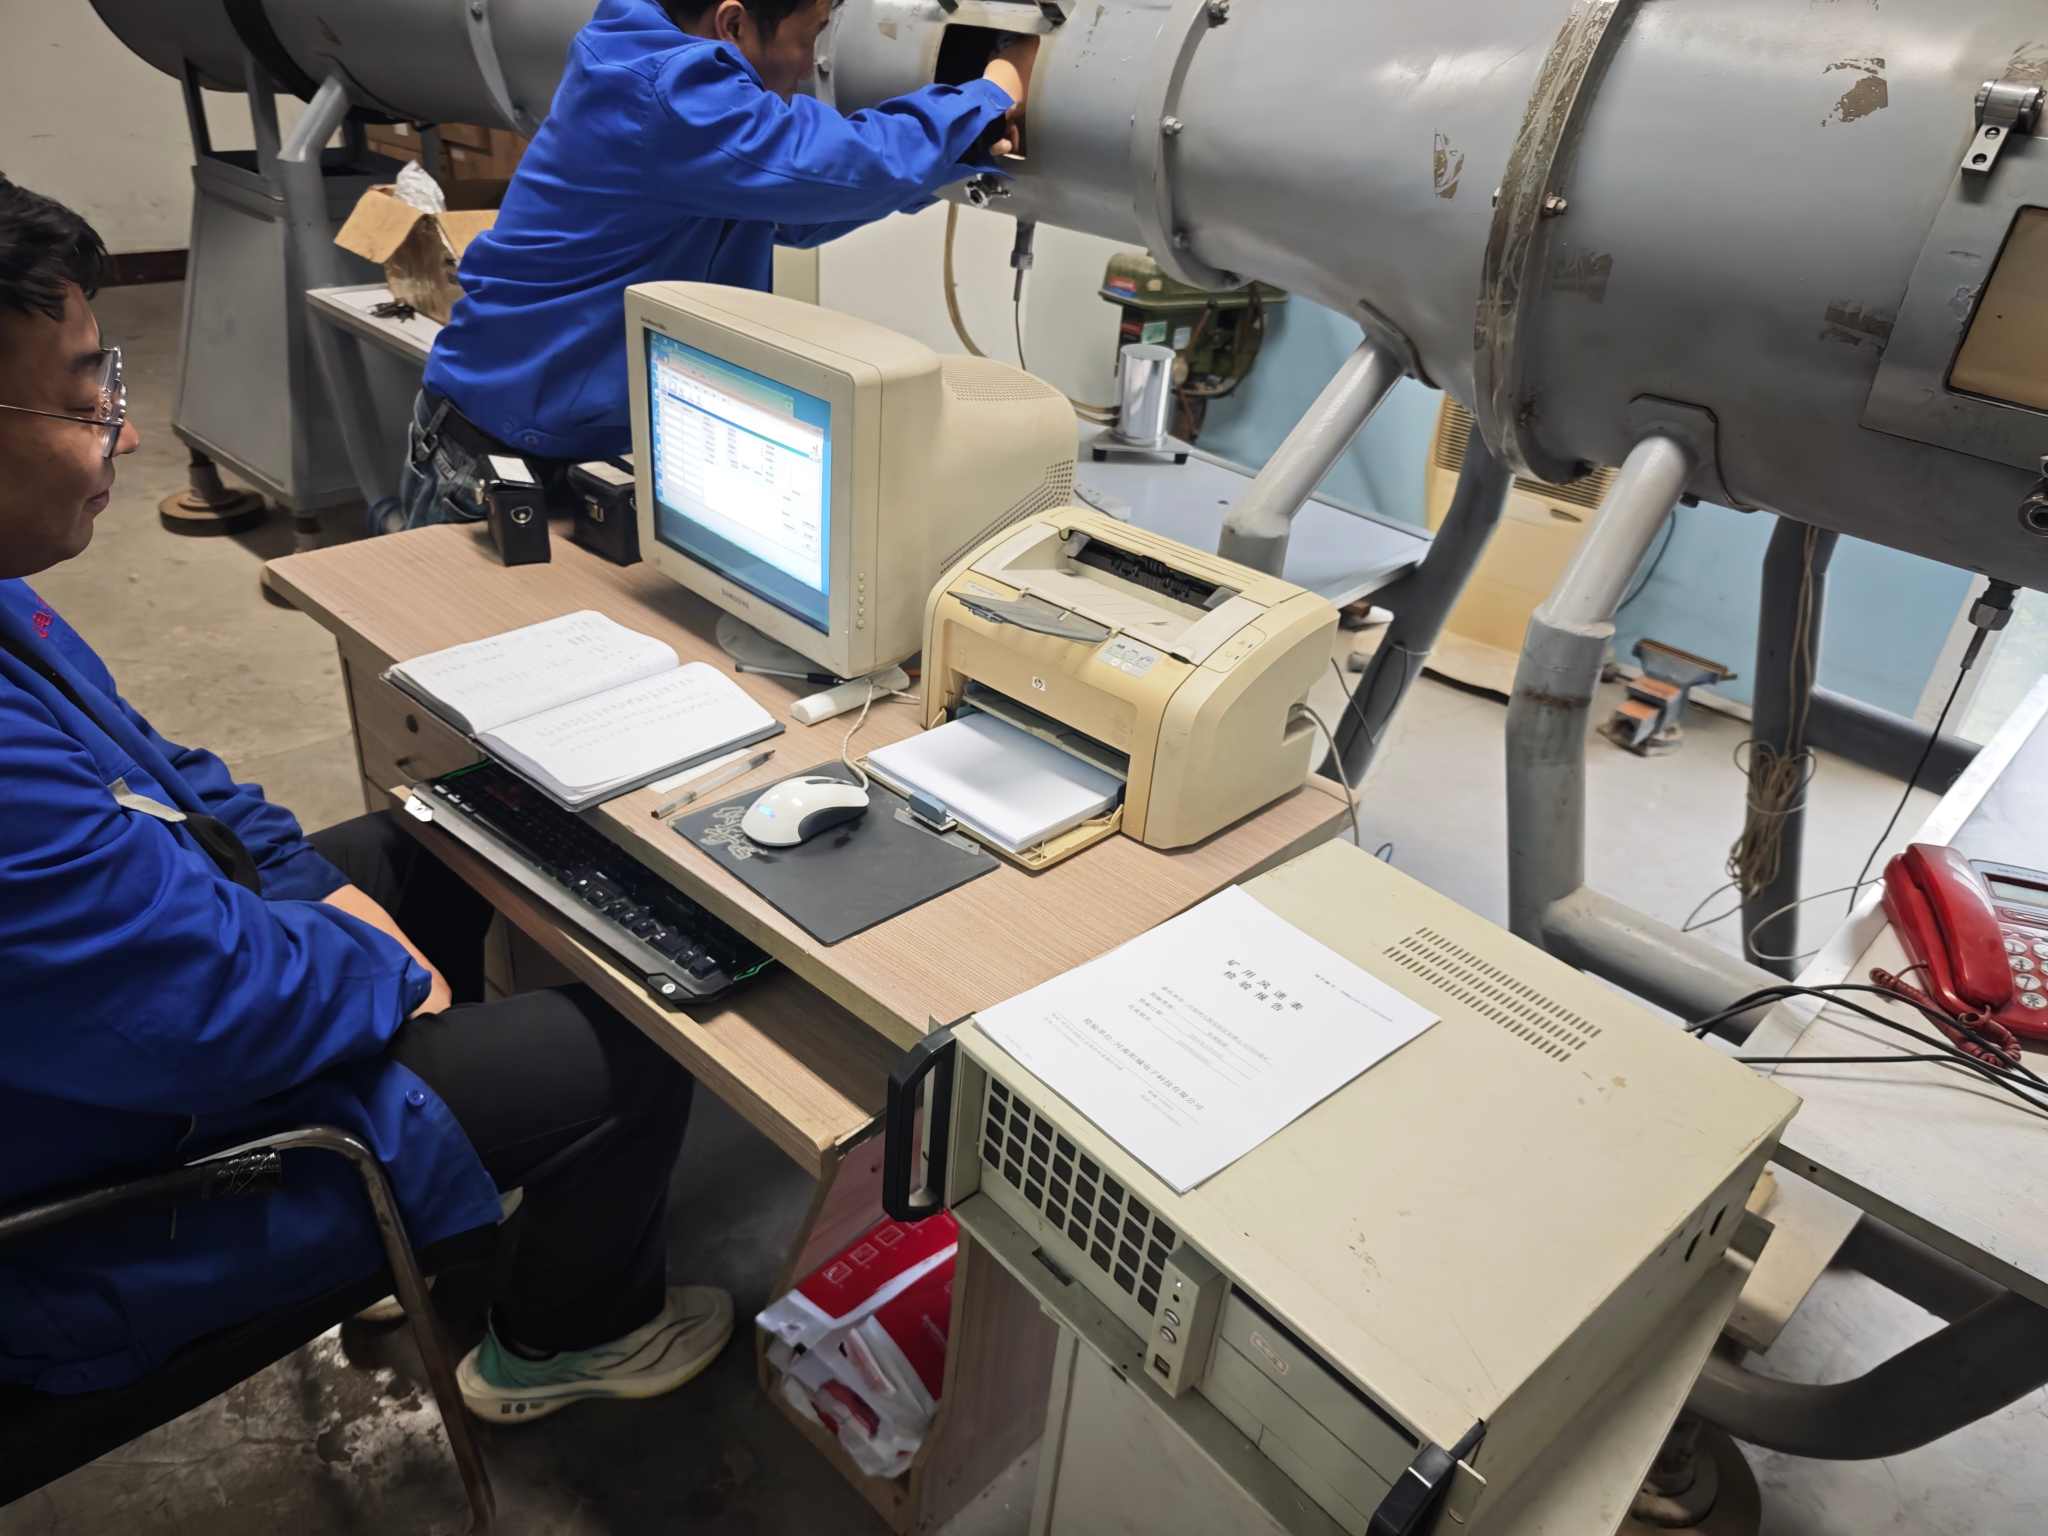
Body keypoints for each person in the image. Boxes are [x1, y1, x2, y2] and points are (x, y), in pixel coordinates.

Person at [0, 177, 725, 1422]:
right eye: (80, 400)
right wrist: (376, 972)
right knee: (636, 1056)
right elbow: (204, 1013)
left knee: (432, 846)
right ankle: (564, 1339)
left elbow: (161, 773)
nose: (123, 434)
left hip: (134, 1038)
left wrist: (319, 894)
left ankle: (442, 1214)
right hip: (108, 1206)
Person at [395, 0, 1036, 532]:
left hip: (576, 447)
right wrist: (993, 92)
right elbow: (826, 167)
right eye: (810, 36)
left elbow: (796, 212)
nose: (810, 63)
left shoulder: (656, 68)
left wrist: (946, 159)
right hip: (498, 461)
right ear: (732, 24)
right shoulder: (664, 88)